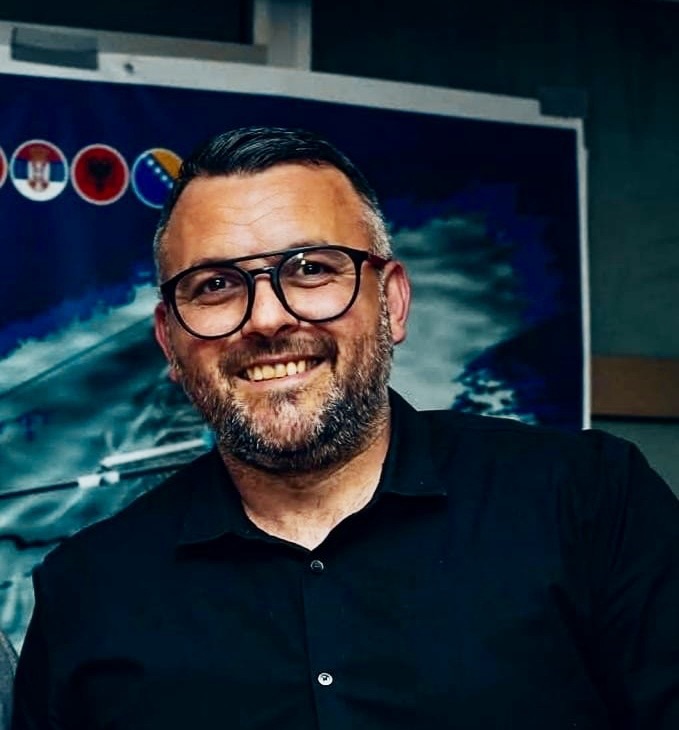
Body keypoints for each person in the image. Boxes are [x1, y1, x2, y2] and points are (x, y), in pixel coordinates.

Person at [12, 126, 679, 729]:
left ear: (392, 302)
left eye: (310, 269)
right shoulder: (88, 591)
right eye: (215, 285)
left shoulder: (589, 502)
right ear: (168, 339)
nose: (267, 319)